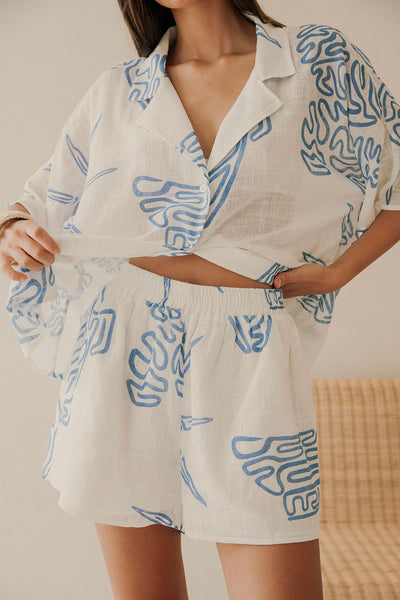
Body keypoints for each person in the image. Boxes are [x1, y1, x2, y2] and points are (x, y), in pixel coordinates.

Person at [1, 1, 400, 598]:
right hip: (124, 342)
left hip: (250, 348)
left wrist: (340, 271)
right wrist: (13, 230)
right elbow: (40, 199)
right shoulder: (121, 88)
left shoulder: (317, 59)